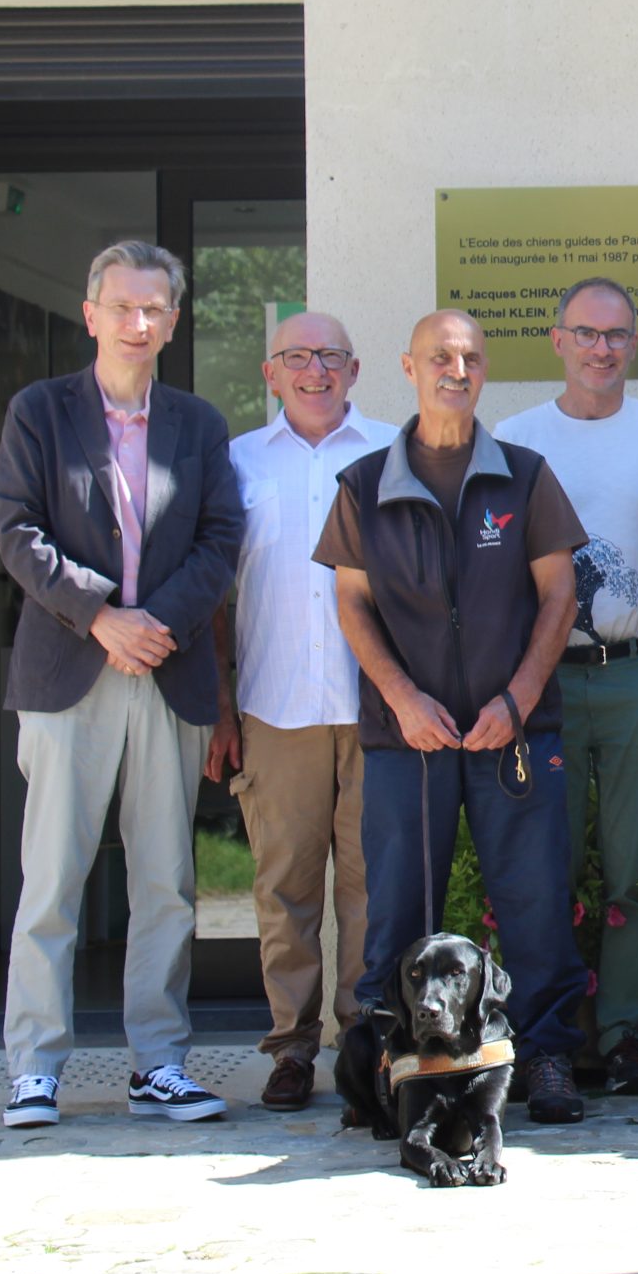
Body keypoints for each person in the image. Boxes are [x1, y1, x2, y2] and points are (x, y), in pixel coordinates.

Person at [0, 241, 245, 1129]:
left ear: (174, 323)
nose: (139, 323)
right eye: (123, 306)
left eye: (156, 309)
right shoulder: (40, 412)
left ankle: (159, 1063)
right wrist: (103, 615)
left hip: (167, 670)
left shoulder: (199, 424)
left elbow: (222, 538)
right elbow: (17, 531)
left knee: (168, 879)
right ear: (90, 313)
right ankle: (34, 1065)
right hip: (69, 668)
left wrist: (154, 626)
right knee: (52, 877)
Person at [315, 309, 590, 1123]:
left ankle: (545, 1059)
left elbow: (559, 595)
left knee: (537, 903)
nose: (456, 370)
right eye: (441, 356)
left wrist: (518, 699)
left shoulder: (526, 476)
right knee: (396, 910)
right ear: (409, 366)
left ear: (485, 368)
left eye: (470, 357)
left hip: (513, 737)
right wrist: (403, 698)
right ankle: (393, 1065)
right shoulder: (364, 485)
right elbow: (352, 606)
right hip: (410, 740)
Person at [494, 278, 638, 1098]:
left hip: (632, 673)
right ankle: (548, 1035)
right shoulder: (516, 438)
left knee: (631, 861)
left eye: (617, 335)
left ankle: (625, 1035)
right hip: (542, 685)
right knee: (545, 861)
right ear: (557, 340)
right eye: (586, 333)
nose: (602, 349)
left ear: (633, 343)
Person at [207, 312, 395, 1113]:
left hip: (378, 705)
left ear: (355, 371)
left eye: (330, 357)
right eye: (297, 357)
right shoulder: (236, 464)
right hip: (272, 706)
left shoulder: (395, 452)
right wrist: (220, 705)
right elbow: (215, 595)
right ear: (269, 372)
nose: (315, 371)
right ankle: (290, 1048)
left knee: (367, 886)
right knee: (283, 886)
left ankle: (363, 1046)